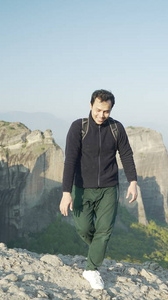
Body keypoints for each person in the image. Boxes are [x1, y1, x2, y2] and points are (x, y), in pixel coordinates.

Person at [59, 89, 138, 289]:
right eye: (98, 110)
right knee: (83, 228)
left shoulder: (116, 128)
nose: (101, 115)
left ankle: (91, 269)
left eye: (106, 111)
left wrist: (133, 182)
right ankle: (98, 250)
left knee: (104, 231)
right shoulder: (79, 127)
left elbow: (126, 154)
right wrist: (66, 192)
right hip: (81, 188)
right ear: (91, 105)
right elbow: (70, 160)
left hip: (109, 188)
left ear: (111, 110)